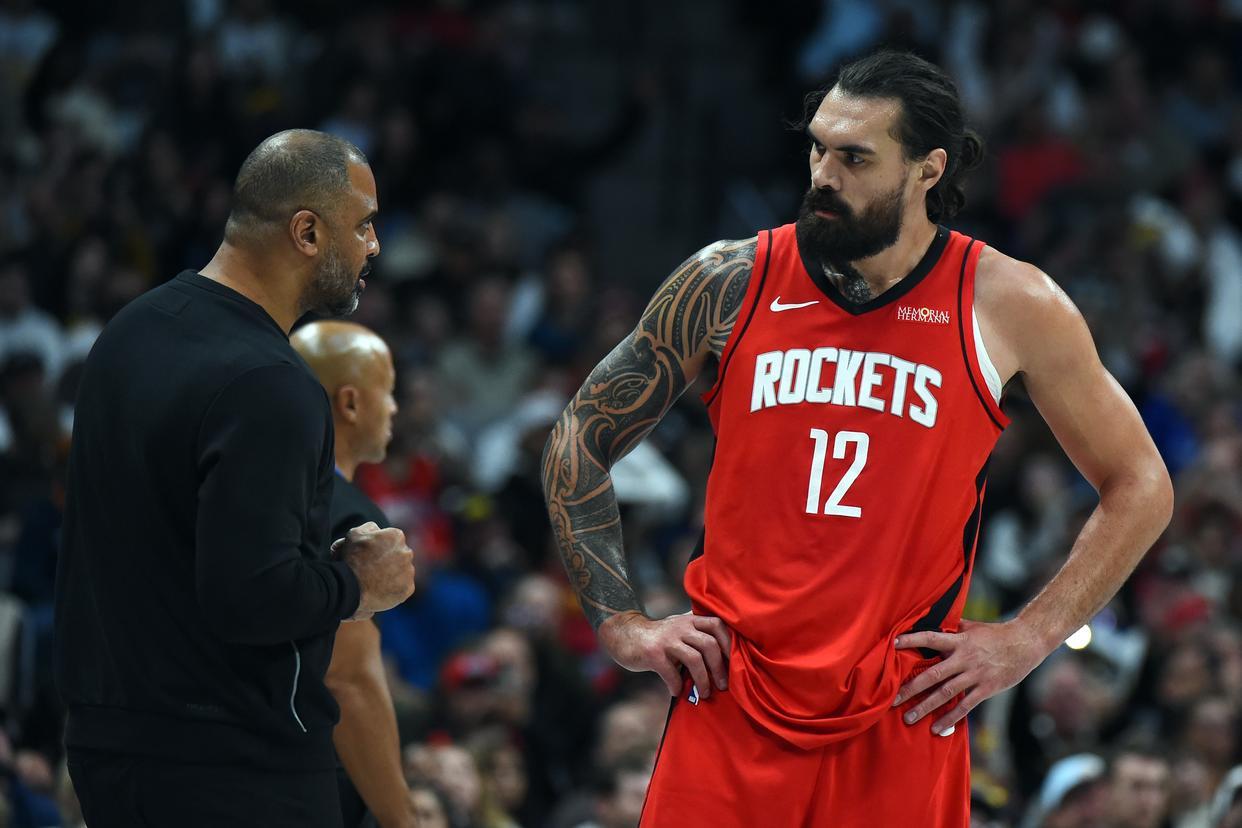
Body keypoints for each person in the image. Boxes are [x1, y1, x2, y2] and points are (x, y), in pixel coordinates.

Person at [542, 50, 1173, 826]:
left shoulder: (1009, 302)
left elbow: (1142, 483)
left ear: (927, 168)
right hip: (732, 695)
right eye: (817, 149)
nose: (824, 176)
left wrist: (1029, 638)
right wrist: (622, 624)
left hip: (902, 708)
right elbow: (579, 435)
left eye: (854, 157)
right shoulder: (729, 280)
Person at [55, 129, 416, 827]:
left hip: (107, 745)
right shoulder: (270, 383)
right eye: (364, 225)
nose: (374, 245)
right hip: (234, 766)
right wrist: (357, 585)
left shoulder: (129, 332)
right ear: (307, 232)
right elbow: (249, 597)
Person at [290, 319, 417, 828]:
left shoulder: (272, 494)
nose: (394, 408)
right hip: (312, 774)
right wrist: (402, 819)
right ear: (349, 403)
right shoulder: (351, 517)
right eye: (387, 390)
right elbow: (348, 679)